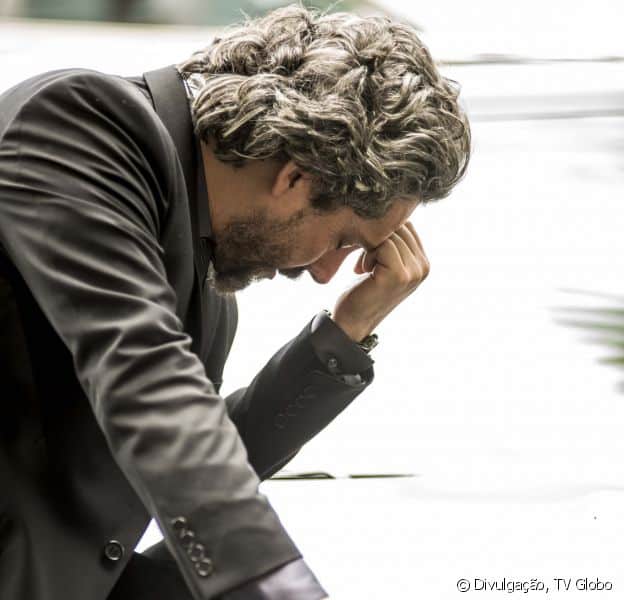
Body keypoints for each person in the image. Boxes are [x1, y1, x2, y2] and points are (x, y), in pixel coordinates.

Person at [0, 4, 470, 599]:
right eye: (344, 240)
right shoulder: (81, 123)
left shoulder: (211, 291)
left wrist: (346, 331)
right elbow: (146, 383)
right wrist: (281, 588)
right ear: (296, 177)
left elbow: (190, 467)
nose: (326, 272)